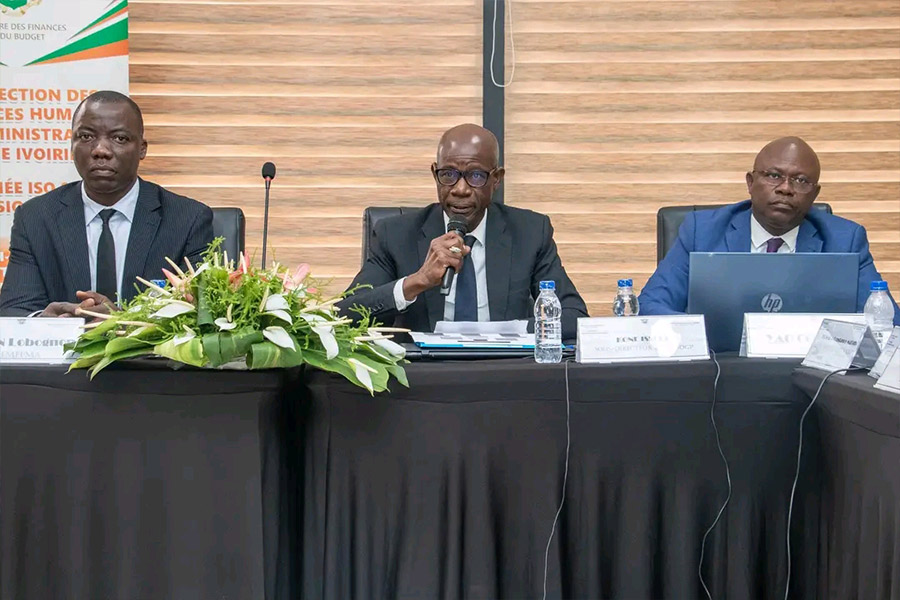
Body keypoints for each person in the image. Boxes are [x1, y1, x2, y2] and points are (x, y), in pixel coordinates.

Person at [338, 123, 588, 338]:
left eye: (476, 176)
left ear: (496, 179)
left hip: (503, 369)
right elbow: (344, 316)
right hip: (425, 372)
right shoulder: (395, 234)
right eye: (448, 174)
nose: (460, 189)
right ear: (435, 174)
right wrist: (417, 281)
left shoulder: (530, 232)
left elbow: (573, 317)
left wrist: (508, 332)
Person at [639, 136, 900, 323]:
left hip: (810, 375)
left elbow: (885, 321)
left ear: (815, 194)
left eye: (801, 180)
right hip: (720, 370)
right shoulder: (702, 231)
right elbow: (651, 306)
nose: (786, 188)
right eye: (774, 176)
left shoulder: (845, 241)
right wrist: (700, 336)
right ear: (750, 183)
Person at [0, 91, 213, 317]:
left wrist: (121, 320)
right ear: (71, 144)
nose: (100, 150)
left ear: (142, 148)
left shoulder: (187, 219)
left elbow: (200, 313)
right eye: (86, 137)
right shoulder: (35, 218)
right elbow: (15, 310)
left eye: (119, 138)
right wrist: (45, 322)